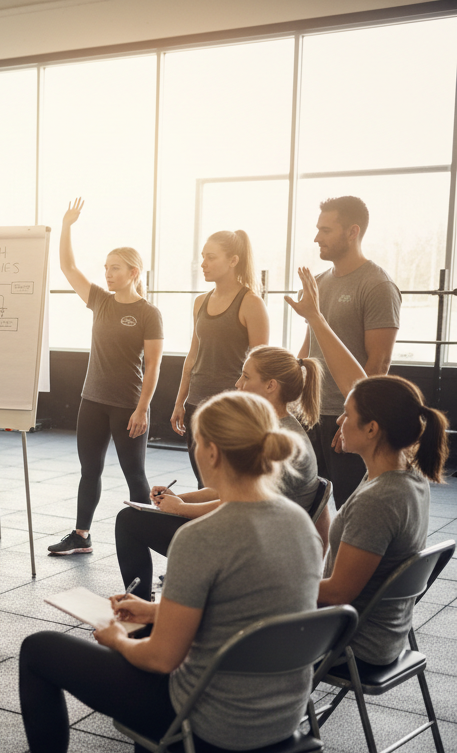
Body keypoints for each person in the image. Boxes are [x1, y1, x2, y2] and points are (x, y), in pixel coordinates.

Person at [0, 391, 322, 753]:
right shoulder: (299, 521)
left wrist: (118, 640)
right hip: (282, 717)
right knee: (157, 633)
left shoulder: (202, 537)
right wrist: (152, 610)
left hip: (209, 724)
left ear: (212, 452)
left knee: (39, 651)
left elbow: (162, 660)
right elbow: (246, 605)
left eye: (197, 442)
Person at [286, 269, 445, 666]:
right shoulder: (404, 469)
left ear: (372, 429)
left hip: (352, 642)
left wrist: (271, 583)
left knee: (224, 607)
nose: (338, 420)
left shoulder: (380, 500)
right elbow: (359, 385)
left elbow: (338, 593)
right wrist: (316, 319)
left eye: (347, 415)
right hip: (379, 632)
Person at [116, 345, 324, 598]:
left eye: (246, 377)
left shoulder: (281, 443)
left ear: (271, 385)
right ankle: (142, 606)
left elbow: (239, 506)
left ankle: (139, 612)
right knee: (132, 517)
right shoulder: (273, 430)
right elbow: (237, 490)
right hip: (253, 534)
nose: (238, 384)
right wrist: (181, 498)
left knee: (129, 520)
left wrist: (180, 508)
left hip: (249, 547)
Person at [46, 198, 163, 557]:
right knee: (89, 470)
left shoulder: (148, 313)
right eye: (106, 267)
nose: (108, 274)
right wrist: (67, 225)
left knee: (135, 476)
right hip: (92, 400)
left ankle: (154, 539)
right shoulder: (100, 300)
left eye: (116, 268)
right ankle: (81, 536)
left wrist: (142, 409)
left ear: (134, 273)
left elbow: (154, 366)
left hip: (127, 405)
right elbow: (68, 267)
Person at [297, 196, 401, 508]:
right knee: (304, 504)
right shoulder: (317, 282)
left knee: (349, 507)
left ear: (352, 232)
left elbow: (379, 361)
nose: (317, 237)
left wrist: (352, 416)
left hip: (346, 418)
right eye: (317, 229)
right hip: (311, 413)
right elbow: (309, 346)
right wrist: (291, 395)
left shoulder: (377, 285)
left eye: (326, 230)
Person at [170, 230, 269, 485]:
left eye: (211, 257)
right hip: (196, 404)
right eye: (203, 257)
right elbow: (192, 356)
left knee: (226, 485)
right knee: (203, 482)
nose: (203, 263)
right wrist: (180, 401)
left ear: (233, 260)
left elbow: (261, 366)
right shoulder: (200, 302)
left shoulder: (251, 303)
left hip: (231, 407)